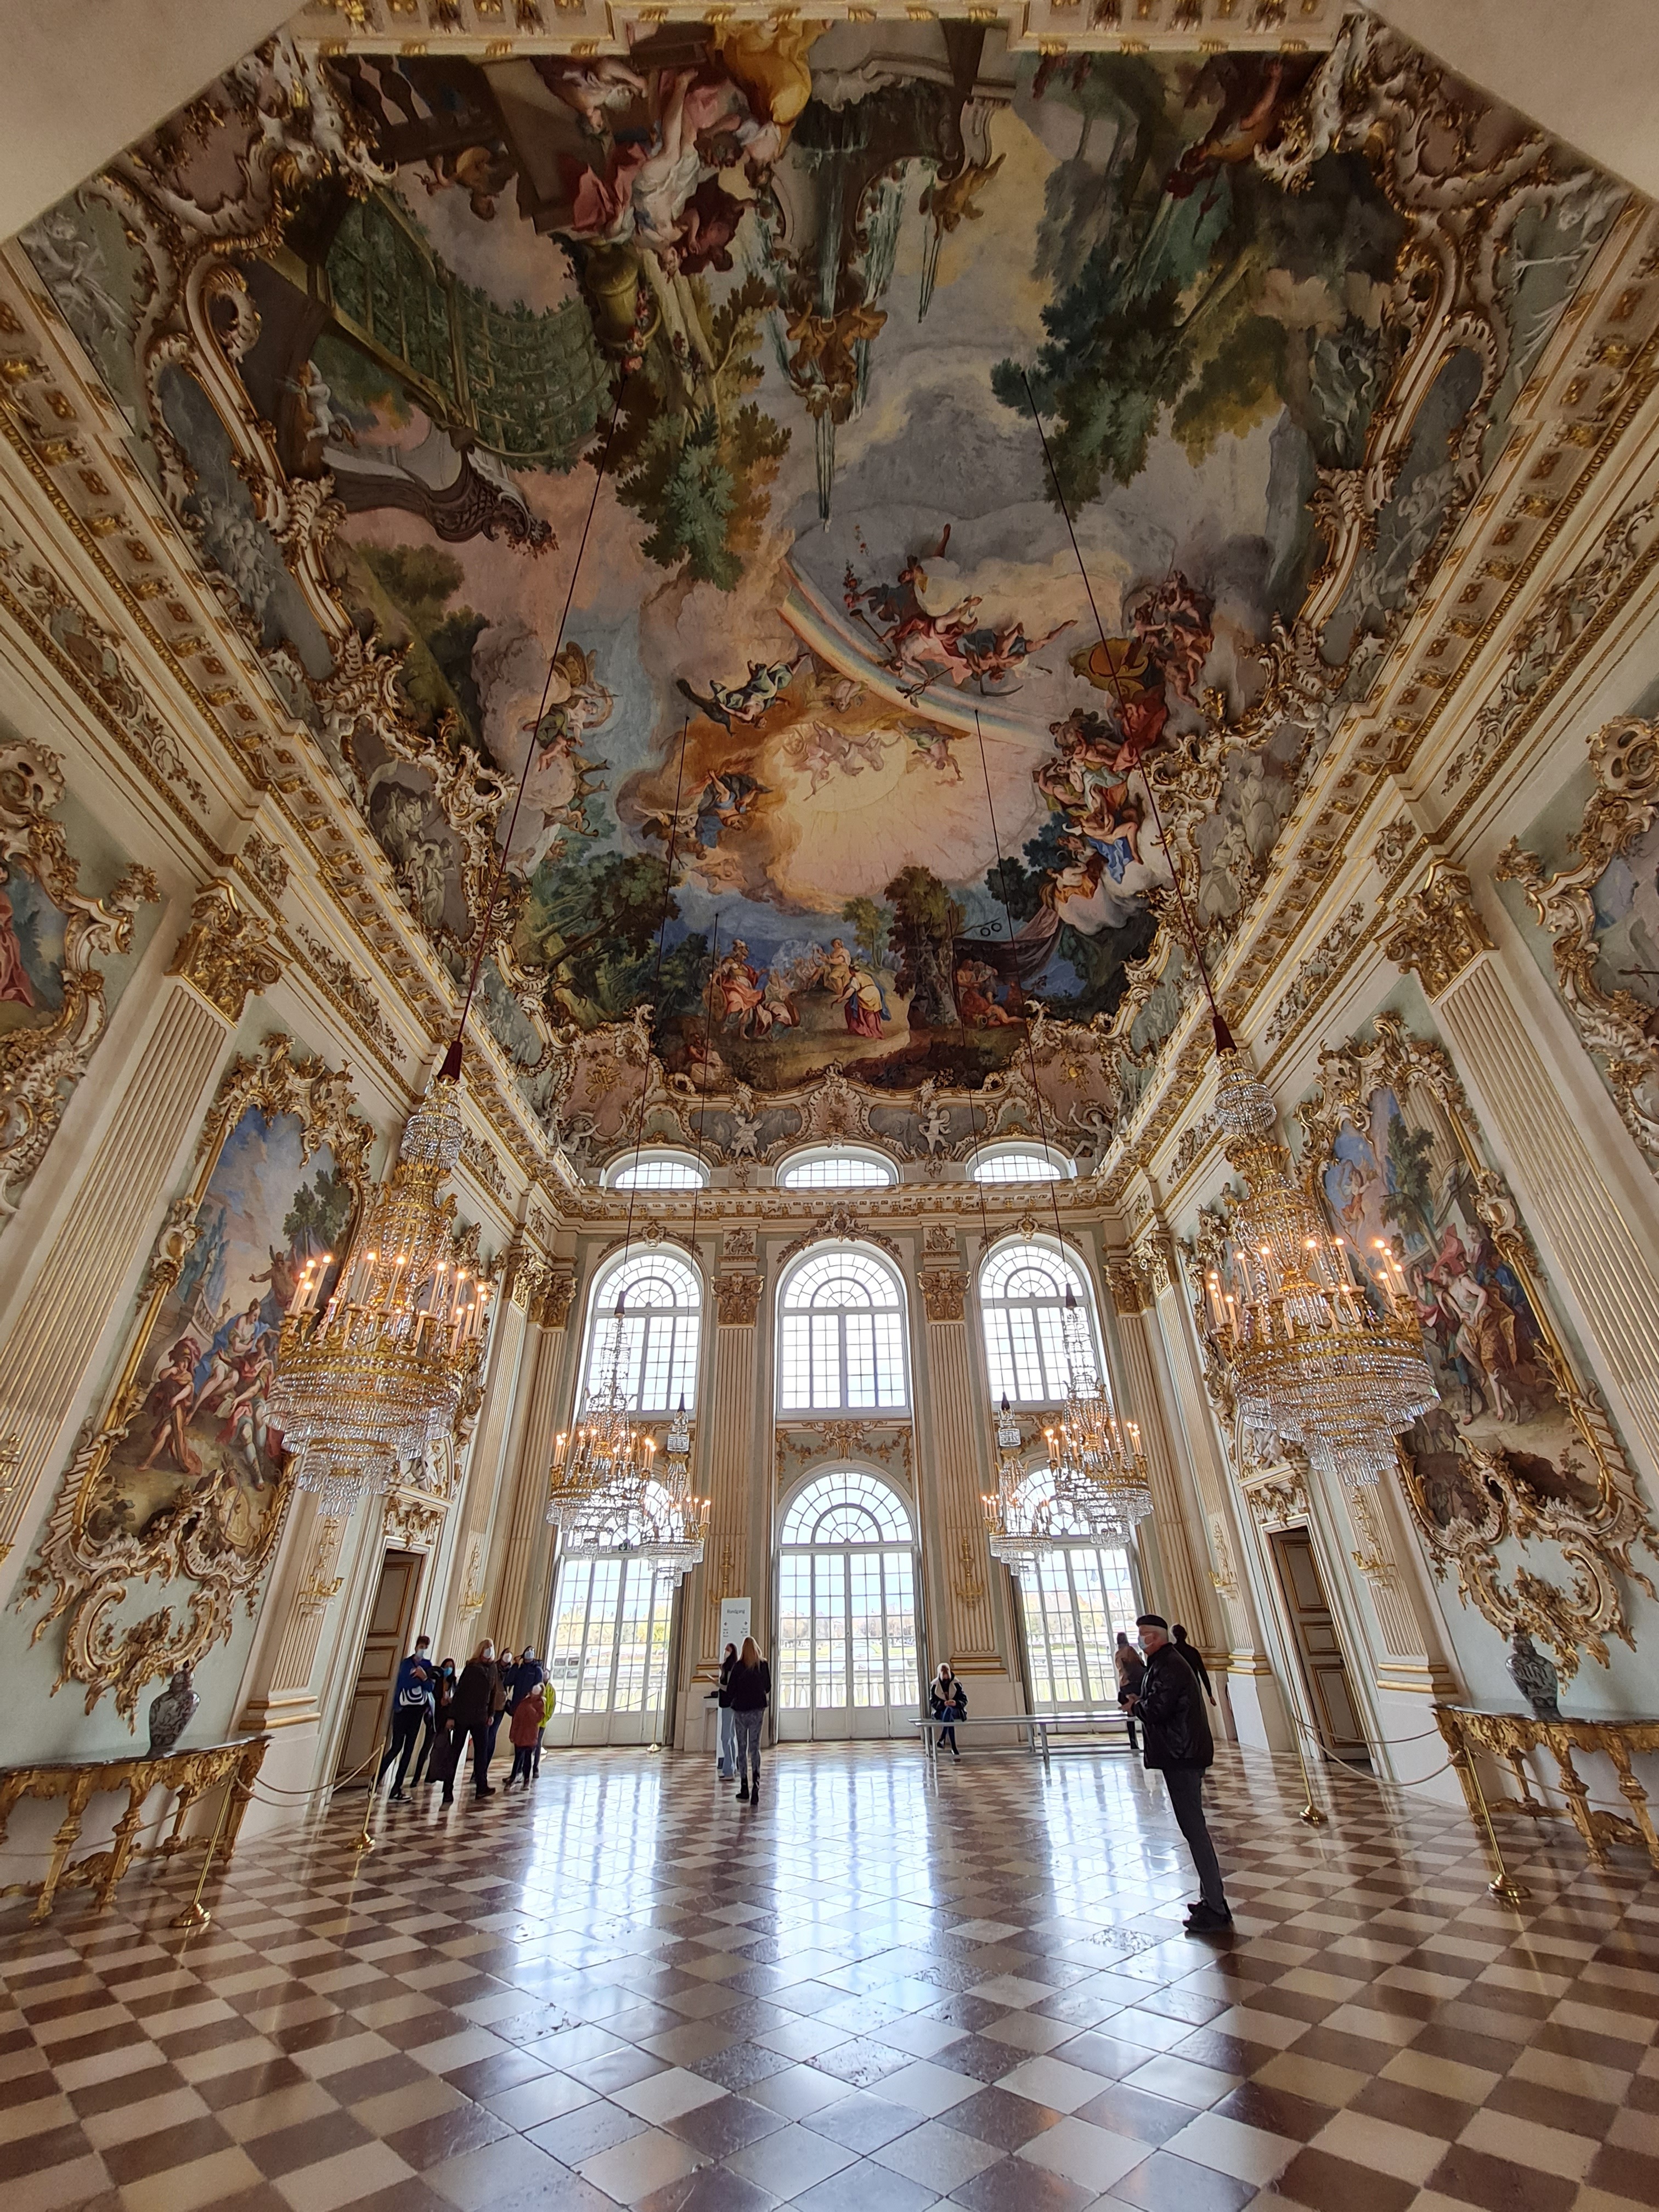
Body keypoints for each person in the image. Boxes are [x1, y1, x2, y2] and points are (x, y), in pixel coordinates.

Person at [1127, 1613, 1230, 1931]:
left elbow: (1158, 1709)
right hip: (1182, 1752)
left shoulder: (1169, 1665)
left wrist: (1136, 1706)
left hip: (1183, 1755)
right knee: (1193, 1829)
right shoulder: (1163, 1663)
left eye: (1145, 1634)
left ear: (1158, 1636)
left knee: (1195, 1830)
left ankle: (1216, 1907)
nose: (1141, 1639)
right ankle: (1210, 1898)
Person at [380, 1635, 435, 1801]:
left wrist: (423, 1677)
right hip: (402, 1710)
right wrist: (420, 1680)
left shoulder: (427, 1665)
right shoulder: (406, 1664)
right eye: (421, 1646)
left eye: (426, 1647)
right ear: (416, 1647)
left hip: (417, 1712)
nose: (423, 1649)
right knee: (396, 1747)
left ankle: (397, 1787)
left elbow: (430, 1687)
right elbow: (404, 1683)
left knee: (409, 1750)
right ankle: (376, 1779)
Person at [451, 1640, 501, 1799]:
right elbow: (460, 1693)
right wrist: (452, 1716)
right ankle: (447, 1789)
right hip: (464, 1715)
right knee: (456, 1751)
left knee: (482, 1752)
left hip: (481, 1716)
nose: (488, 1652)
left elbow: (493, 1692)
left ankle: (482, 1786)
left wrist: (491, 1714)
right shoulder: (471, 1667)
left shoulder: (493, 1669)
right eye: (486, 1649)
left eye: (490, 1649)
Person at [727, 1635, 770, 1804]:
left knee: (742, 1748)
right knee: (755, 1748)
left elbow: (731, 1690)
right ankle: (756, 1786)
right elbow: (768, 1687)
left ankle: (744, 1786)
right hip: (757, 1711)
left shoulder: (738, 1667)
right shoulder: (763, 1665)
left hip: (740, 1711)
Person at [413, 1656, 456, 1787]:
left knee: (441, 1749)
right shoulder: (437, 1680)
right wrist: (440, 1702)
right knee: (427, 1746)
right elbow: (431, 1696)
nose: (448, 1669)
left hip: (445, 1718)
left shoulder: (454, 1683)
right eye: (446, 1666)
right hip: (434, 1717)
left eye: (451, 1667)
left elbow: (456, 1699)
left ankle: (432, 1776)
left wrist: (450, 1702)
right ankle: (416, 1777)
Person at [1114, 1629, 1146, 1753]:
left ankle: (1133, 1741)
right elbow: (1138, 1664)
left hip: (1124, 1686)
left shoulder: (1117, 1654)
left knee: (1130, 1715)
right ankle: (1146, 1739)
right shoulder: (1130, 1651)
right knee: (1142, 1712)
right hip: (1134, 1685)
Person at [506, 1680, 542, 1788]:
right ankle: (513, 1777)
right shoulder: (523, 1703)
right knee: (517, 1758)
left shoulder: (539, 1704)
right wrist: (513, 1733)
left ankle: (527, 1780)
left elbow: (538, 1719)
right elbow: (516, 1719)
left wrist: (530, 1708)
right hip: (520, 1735)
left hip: (530, 1736)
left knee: (528, 1759)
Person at [710, 1642, 738, 1780]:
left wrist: (718, 1685)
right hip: (728, 1704)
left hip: (728, 1704)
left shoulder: (731, 1668)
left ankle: (729, 1770)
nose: (725, 1651)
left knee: (725, 1737)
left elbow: (730, 1688)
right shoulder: (727, 1667)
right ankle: (732, 1767)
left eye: (728, 1649)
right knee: (730, 1737)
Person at [1172, 1624, 1217, 1708]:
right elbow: (1203, 1673)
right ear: (1185, 1635)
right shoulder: (1193, 1651)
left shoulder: (1172, 1652)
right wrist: (1210, 1694)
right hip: (1195, 1686)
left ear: (1174, 1636)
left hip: (1179, 1689)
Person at [930, 1662, 967, 1758]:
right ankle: (953, 1747)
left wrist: (955, 1703)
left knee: (950, 1711)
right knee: (949, 1717)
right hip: (941, 1711)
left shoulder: (956, 1684)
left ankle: (942, 1738)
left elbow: (964, 1700)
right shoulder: (935, 1686)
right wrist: (943, 1704)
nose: (946, 1678)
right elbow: (933, 1702)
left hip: (956, 1711)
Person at [488, 1649, 515, 1767]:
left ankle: (485, 1765)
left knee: (492, 1735)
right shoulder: (493, 1667)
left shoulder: (511, 1671)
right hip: (489, 1704)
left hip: (500, 1706)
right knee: (485, 1736)